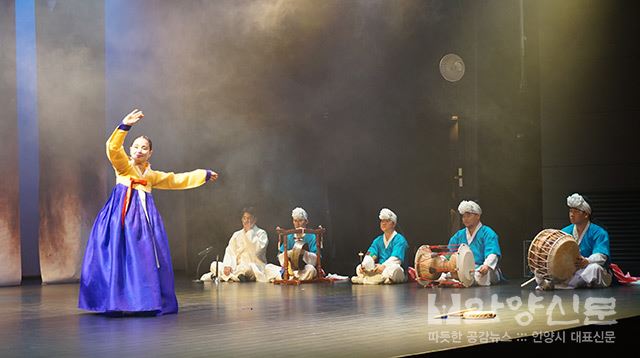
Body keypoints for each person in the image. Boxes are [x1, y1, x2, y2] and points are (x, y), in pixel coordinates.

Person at [78, 109, 218, 315]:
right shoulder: (124, 167)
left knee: (145, 259)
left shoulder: (151, 175)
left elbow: (175, 180)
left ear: (150, 153)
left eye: (144, 148)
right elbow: (113, 149)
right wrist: (125, 126)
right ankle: (115, 301)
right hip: (121, 217)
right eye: (135, 147)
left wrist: (202, 175)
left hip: (144, 221)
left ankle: (144, 301)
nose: (139, 150)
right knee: (119, 255)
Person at [536, 193, 612, 290]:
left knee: (594, 269)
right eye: (570, 211)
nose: (572, 214)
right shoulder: (565, 232)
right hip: (572, 271)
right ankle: (560, 283)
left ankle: (557, 286)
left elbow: (602, 256)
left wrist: (587, 261)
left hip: (591, 269)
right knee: (546, 270)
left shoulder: (599, 232)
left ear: (586, 214)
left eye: (576, 211)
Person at [200, 207, 268, 282]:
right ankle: (235, 277)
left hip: (253, 266)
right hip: (237, 267)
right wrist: (228, 266)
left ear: (254, 220)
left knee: (247, 269)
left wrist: (249, 232)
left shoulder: (261, 233)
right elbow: (230, 252)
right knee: (214, 265)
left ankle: (222, 276)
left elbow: (257, 251)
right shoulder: (236, 234)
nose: (246, 221)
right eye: (244, 218)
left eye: (249, 218)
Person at [447, 200, 502, 286]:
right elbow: (449, 252)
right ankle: (460, 280)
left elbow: (493, 252)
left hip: (483, 268)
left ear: (478, 216)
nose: (465, 219)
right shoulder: (459, 235)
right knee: (444, 276)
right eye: (463, 216)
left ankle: (458, 281)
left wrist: (486, 265)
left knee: (481, 276)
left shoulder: (488, 232)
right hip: (463, 269)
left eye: (468, 216)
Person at [351, 208, 409, 285]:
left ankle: (368, 279)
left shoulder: (400, 239)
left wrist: (383, 266)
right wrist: (364, 265)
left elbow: (396, 259)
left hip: (390, 268)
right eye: (382, 221)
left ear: (393, 224)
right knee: (359, 268)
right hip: (379, 269)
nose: (383, 223)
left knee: (395, 269)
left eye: (387, 221)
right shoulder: (378, 240)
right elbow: (371, 254)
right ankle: (380, 279)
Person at [262, 207, 318, 282]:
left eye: (300, 221)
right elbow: (280, 256)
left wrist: (303, 253)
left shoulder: (311, 236)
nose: (298, 224)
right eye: (295, 221)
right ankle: (292, 277)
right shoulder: (289, 236)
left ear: (306, 221)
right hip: (289, 269)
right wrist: (290, 253)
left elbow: (315, 259)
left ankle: (289, 278)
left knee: (311, 270)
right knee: (268, 267)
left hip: (303, 269)